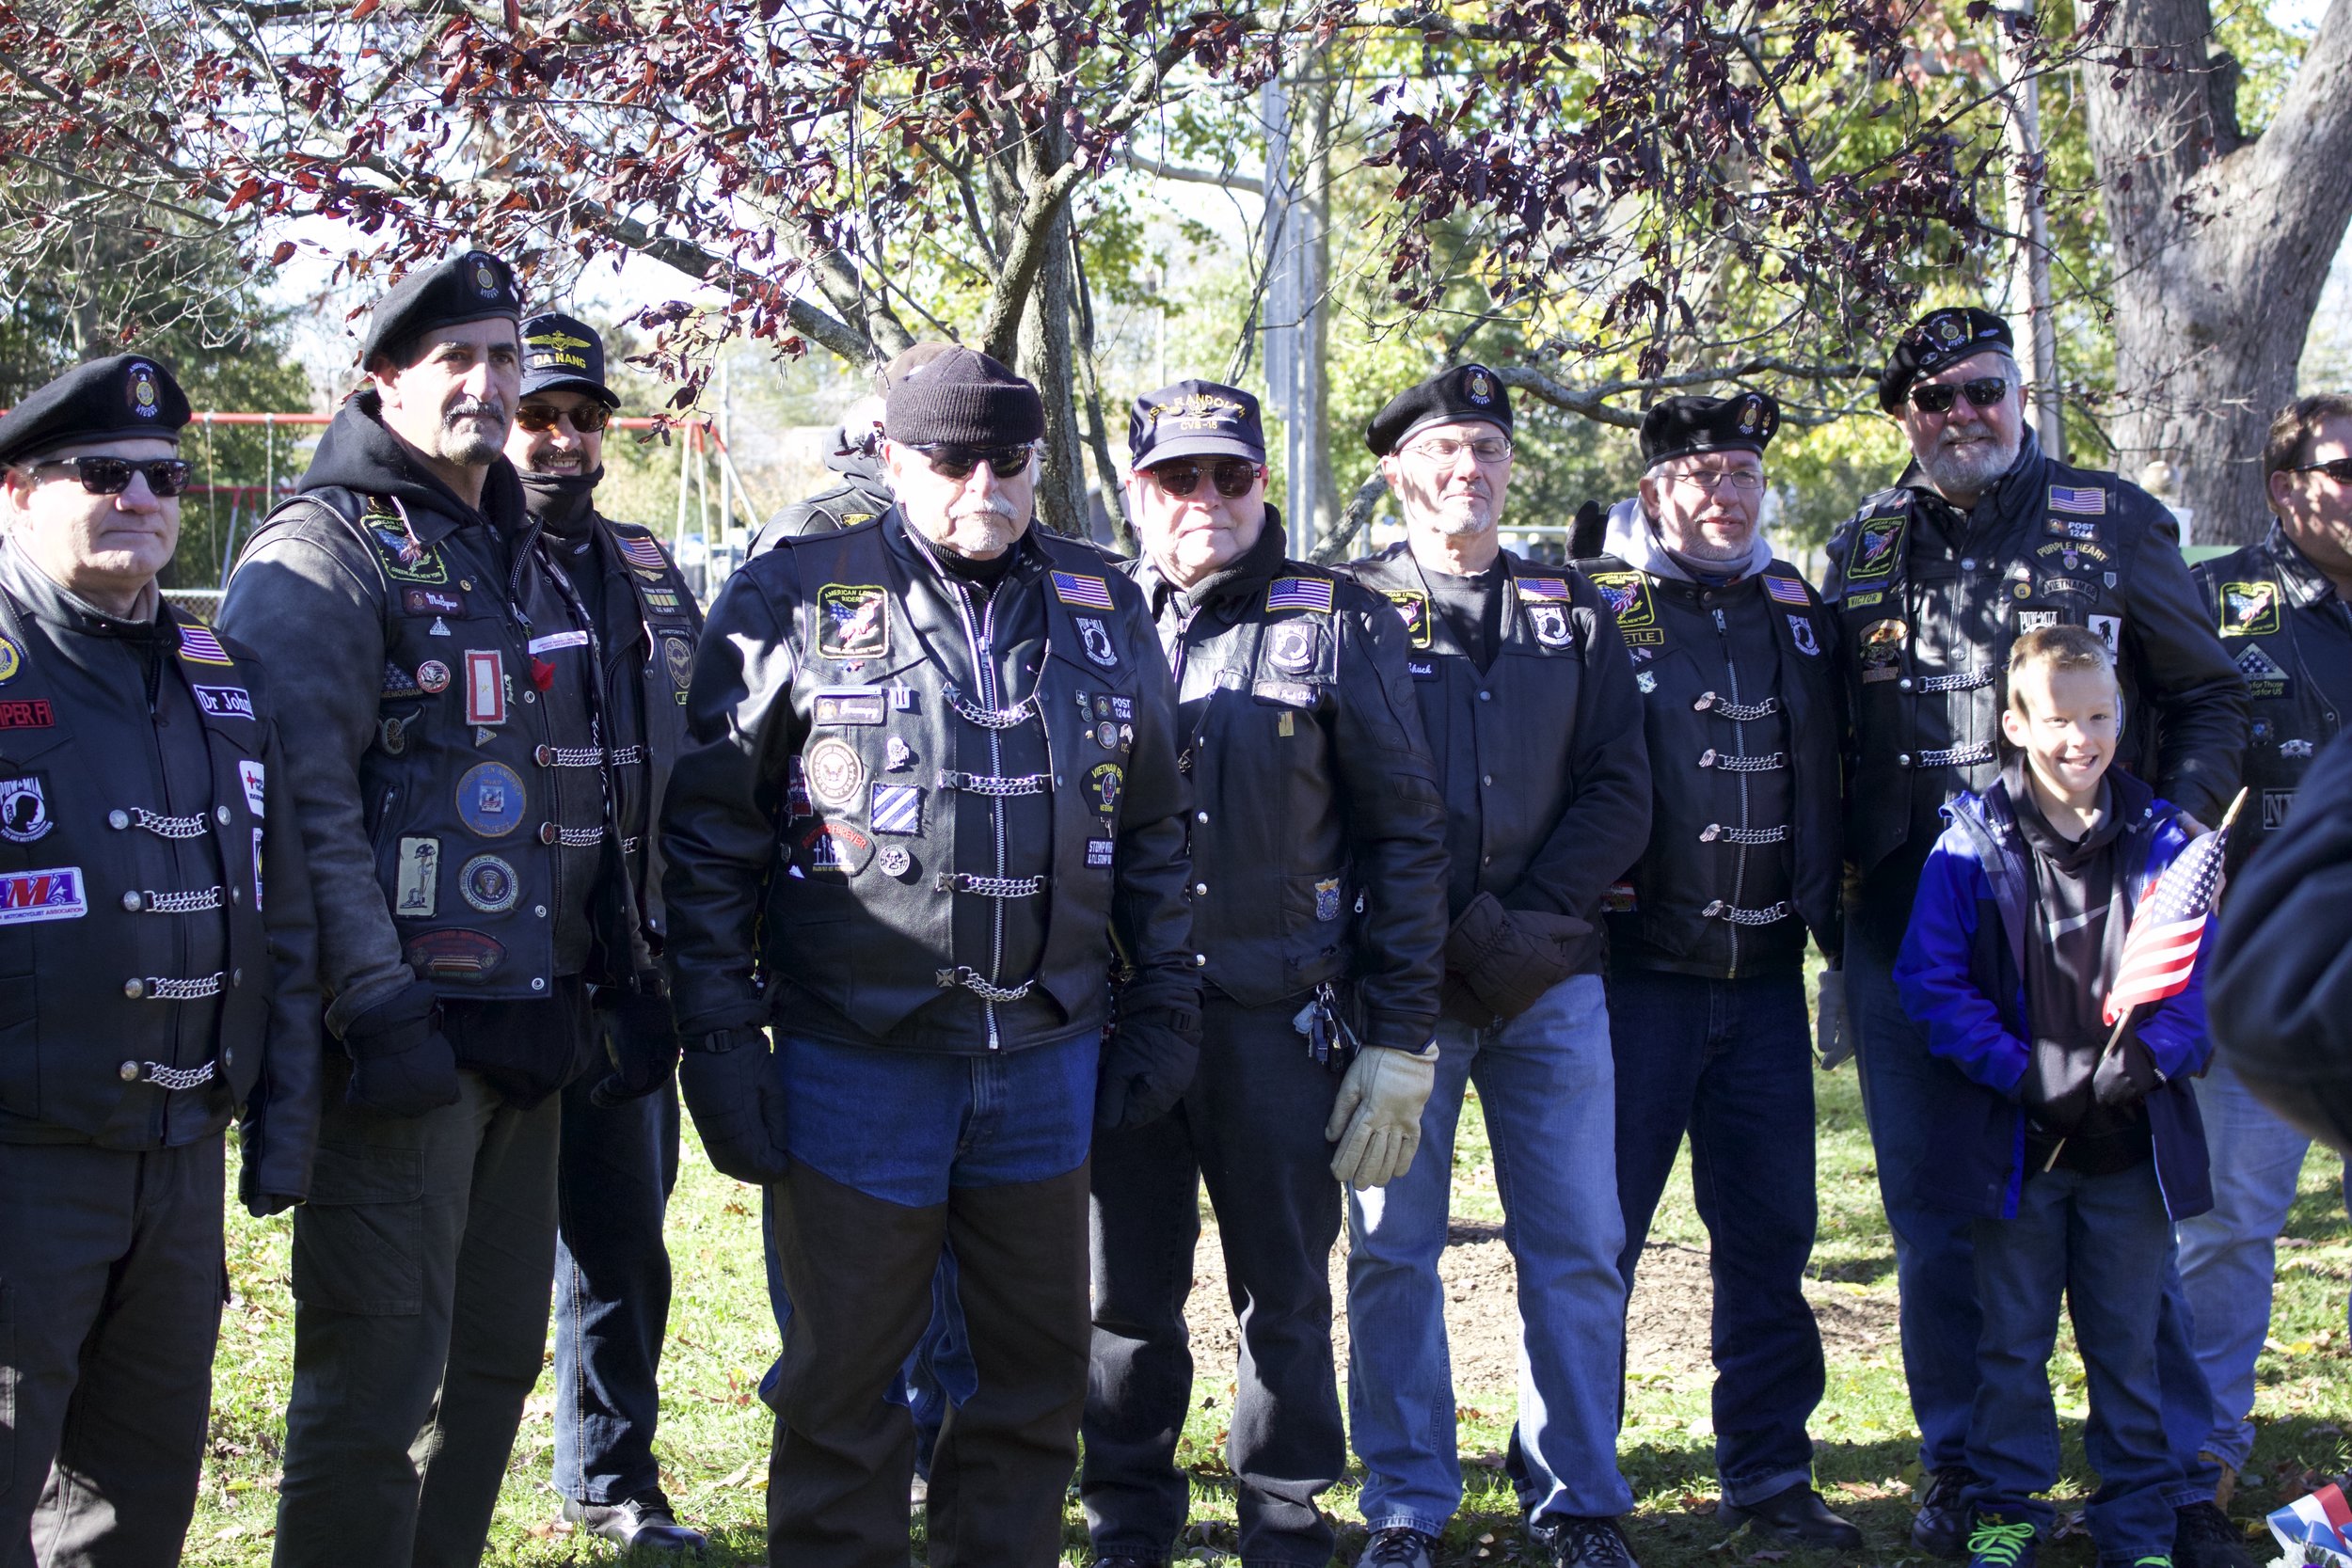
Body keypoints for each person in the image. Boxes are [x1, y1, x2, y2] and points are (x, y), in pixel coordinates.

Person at [658, 345, 1202, 1566]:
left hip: (1047, 1054)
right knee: (845, 1386)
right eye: (951, 461)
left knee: (1030, 1382)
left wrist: (1165, 996)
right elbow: (706, 834)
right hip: (860, 1055)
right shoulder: (796, 587)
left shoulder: (1104, 601)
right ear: (893, 455)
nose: (983, 489)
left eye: (1010, 462)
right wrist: (715, 1033)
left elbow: (1158, 822)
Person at [219, 250, 657, 1567]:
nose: (483, 384)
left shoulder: (515, 545)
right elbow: (305, 815)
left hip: (532, 1024)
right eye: (451, 360)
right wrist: (379, 1001)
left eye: (501, 358)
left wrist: (614, 964)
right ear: (384, 380)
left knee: (489, 1367)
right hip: (401, 1045)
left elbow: (567, 776)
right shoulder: (322, 552)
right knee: (377, 1385)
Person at [1820, 306, 2249, 1565]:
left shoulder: (2110, 520)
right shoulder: (1865, 540)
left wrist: (2183, 856)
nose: (1961, 416)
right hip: (1922, 934)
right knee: (1941, 1225)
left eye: (1982, 391)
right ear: (1904, 416)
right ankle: (1969, 1473)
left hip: (2099, 922)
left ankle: (2160, 1488)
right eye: (1931, 398)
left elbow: (2211, 692)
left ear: (2018, 395)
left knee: (2128, 1226)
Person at [1080, 380, 1452, 1568]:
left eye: (1229, 475)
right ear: (1138, 491)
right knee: (1119, 1296)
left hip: (1277, 1017)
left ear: (1262, 485)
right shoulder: (1086, 612)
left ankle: (1285, 1514)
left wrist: (1399, 1033)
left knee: (1281, 1292)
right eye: (1177, 477)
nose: (1204, 499)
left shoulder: (1337, 617)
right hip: (1121, 1017)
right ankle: (1127, 1514)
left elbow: (1404, 834)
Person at [0, 354, 320, 1565]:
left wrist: (280, 1119)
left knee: (134, 1505)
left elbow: (280, 911)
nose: (139, 496)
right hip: (22, 1165)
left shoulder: (215, 675)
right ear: (18, 491)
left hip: (179, 1169)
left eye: (163, 476)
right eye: (103, 473)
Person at [1336, 364, 1652, 1568]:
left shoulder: (1573, 612)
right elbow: (1330, 796)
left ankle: (1578, 1497)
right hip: (1397, 992)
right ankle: (1408, 1503)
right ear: (1396, 470)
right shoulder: (1349, 606)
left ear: (1509, 465)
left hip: (1551, 981)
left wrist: (1526, 926)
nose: (1466, 469)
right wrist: (1440, 937)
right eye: (1441, 449)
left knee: (1576, 1243)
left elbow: (1622, 780)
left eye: (1485, 448)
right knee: (1392, 1249)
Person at [1579, 393, 1858, 1547]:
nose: (1724, 495)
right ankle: (1571, 1471)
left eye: (1742, 471)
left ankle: (1769, 1473)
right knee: (1599, 1242)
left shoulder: (1800, 609)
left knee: (1770, 1239)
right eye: (1699, 475)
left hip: (1762, 984)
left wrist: (1840, 944)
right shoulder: (1600, 606)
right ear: (1654, 493)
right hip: (1634, 983)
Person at [1895, 625, 2217, 1568]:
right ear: (2013, 724)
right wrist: (2024, 1068)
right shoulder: (1971, 841)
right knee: (2009, 1345)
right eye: (2058, 718)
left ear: (2121, 717)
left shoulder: (2165, 841)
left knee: (2132, 1347)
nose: (2080, 738)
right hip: (2018, 1153)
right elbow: (1931, 982)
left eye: (2099, 716)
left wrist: (2149, 1057)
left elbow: (2196, 981)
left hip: (2129, 1151)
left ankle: (2142, 1528)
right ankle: (2005, 1514)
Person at [506, 312, 708, 1551]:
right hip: (491, 978)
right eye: (539, 416)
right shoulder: (454, 557)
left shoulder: (644, 563)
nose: (562, 438)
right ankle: (440, 1471)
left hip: (632, 970)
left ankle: (612, 1475)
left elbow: (704, 741)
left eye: (582, 417)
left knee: (625, 1243)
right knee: (471, 1259)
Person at [2176, 393, 2352, 1501]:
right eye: (2345, 466)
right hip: (2268, 980)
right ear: (2286, 489)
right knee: (2229, 1225)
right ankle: (2205, 1450)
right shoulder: (2217, 605)